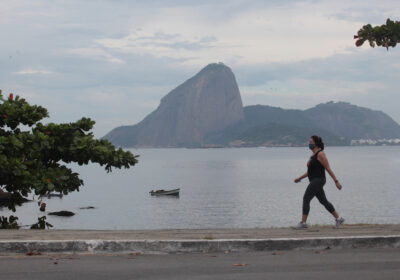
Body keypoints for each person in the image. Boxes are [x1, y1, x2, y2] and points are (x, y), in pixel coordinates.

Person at [294, 135, 345, 229]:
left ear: (316, 143)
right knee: (323, 201)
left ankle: (303, 223)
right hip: (314, 180)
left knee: (306, 198)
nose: (309, 144)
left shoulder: (320, 154)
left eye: (311, 142)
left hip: (319, 180)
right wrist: (299, 178)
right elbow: (309, 172)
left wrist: (336, 181)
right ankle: (339, 219)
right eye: (309, 142)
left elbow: (328, 169)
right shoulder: (312, 156)